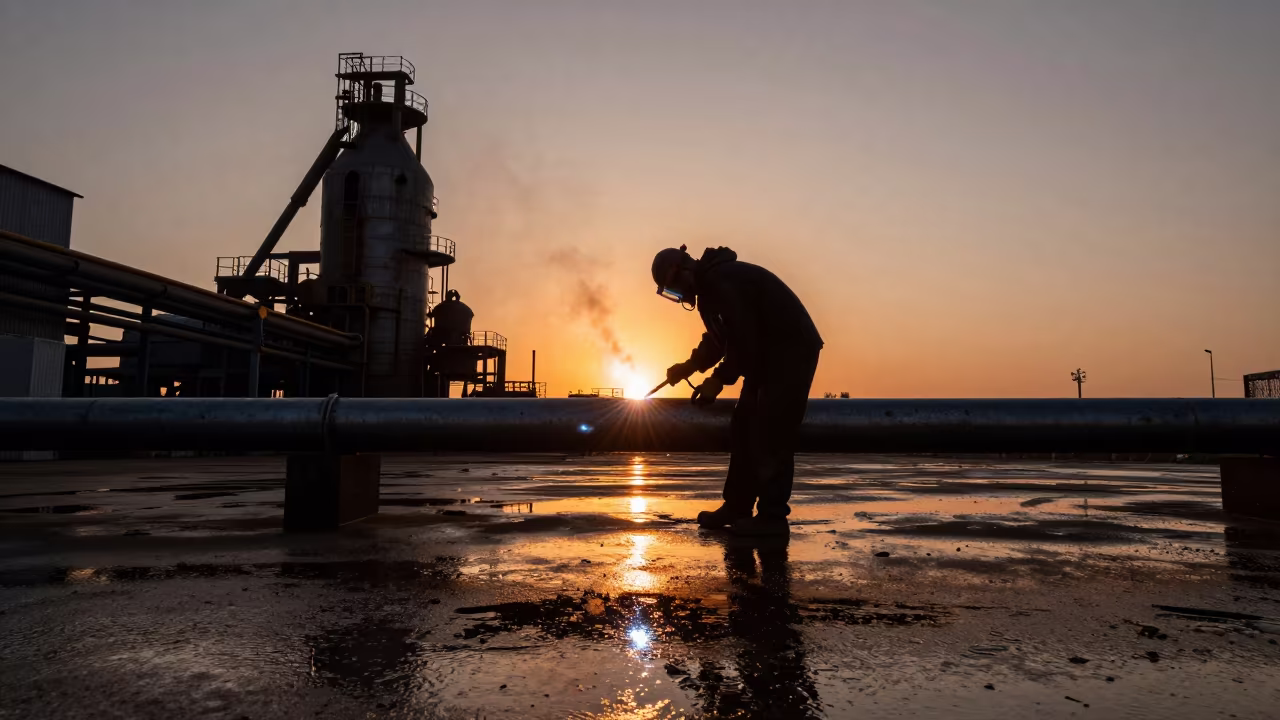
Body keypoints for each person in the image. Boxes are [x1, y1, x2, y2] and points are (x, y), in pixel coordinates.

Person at [652, 245, 822, 535]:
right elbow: (719, 340)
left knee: (771, 429)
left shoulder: (722, 280)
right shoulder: (710, 289)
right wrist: (689, 366)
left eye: (674, 289)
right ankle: (737, 506)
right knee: (743, 425)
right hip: (765, 355)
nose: (680, 297)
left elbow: (743, 338)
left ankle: (772, 519)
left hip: (789, 352)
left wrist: (718, 380)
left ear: (682, 271)